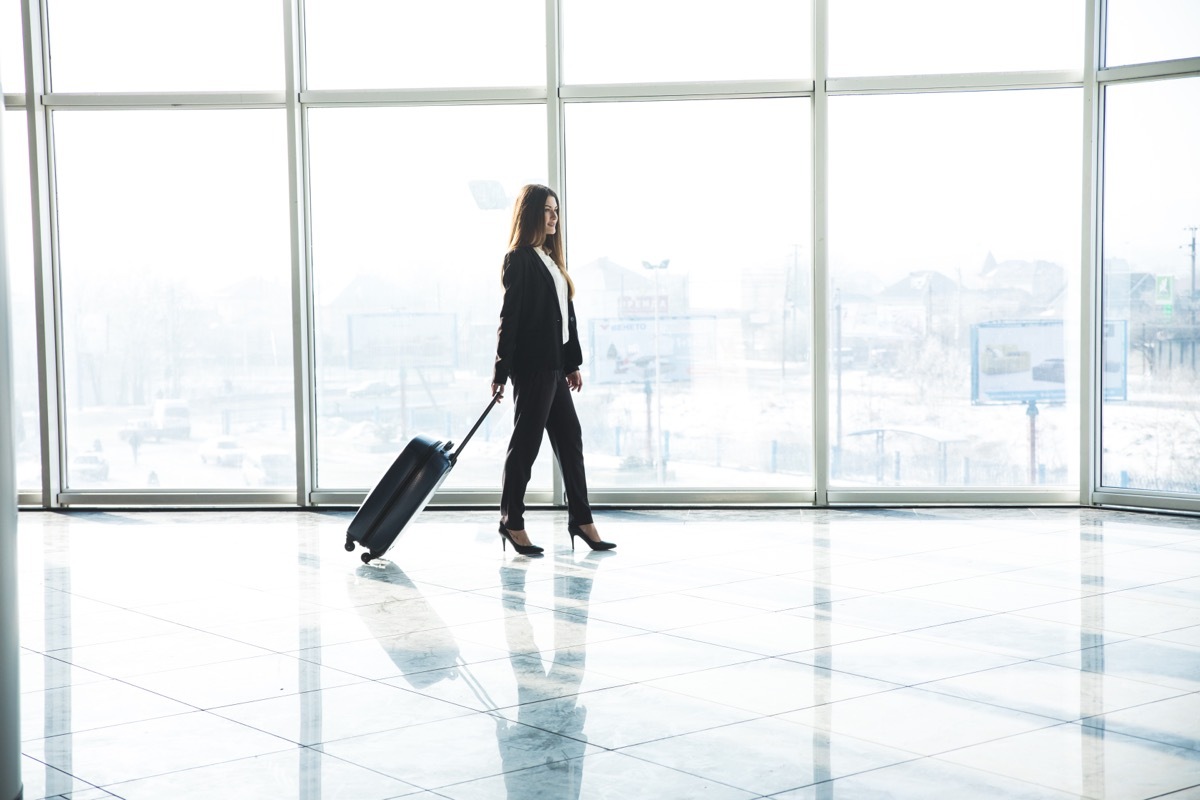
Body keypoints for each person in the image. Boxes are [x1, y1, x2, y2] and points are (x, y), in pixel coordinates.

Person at [491, 184, 615, 556]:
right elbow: (508, 320)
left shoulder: (550, 259)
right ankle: (511, 521)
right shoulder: (519, 258)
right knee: (525, 446)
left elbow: (565, 319)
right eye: (546, 210)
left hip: (555, 367)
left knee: (570, 440)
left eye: (556, 211)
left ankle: (581, 519)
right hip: (532, 368)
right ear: (529, 213)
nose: (553, 218)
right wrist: (500, 373)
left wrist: (572, 363)